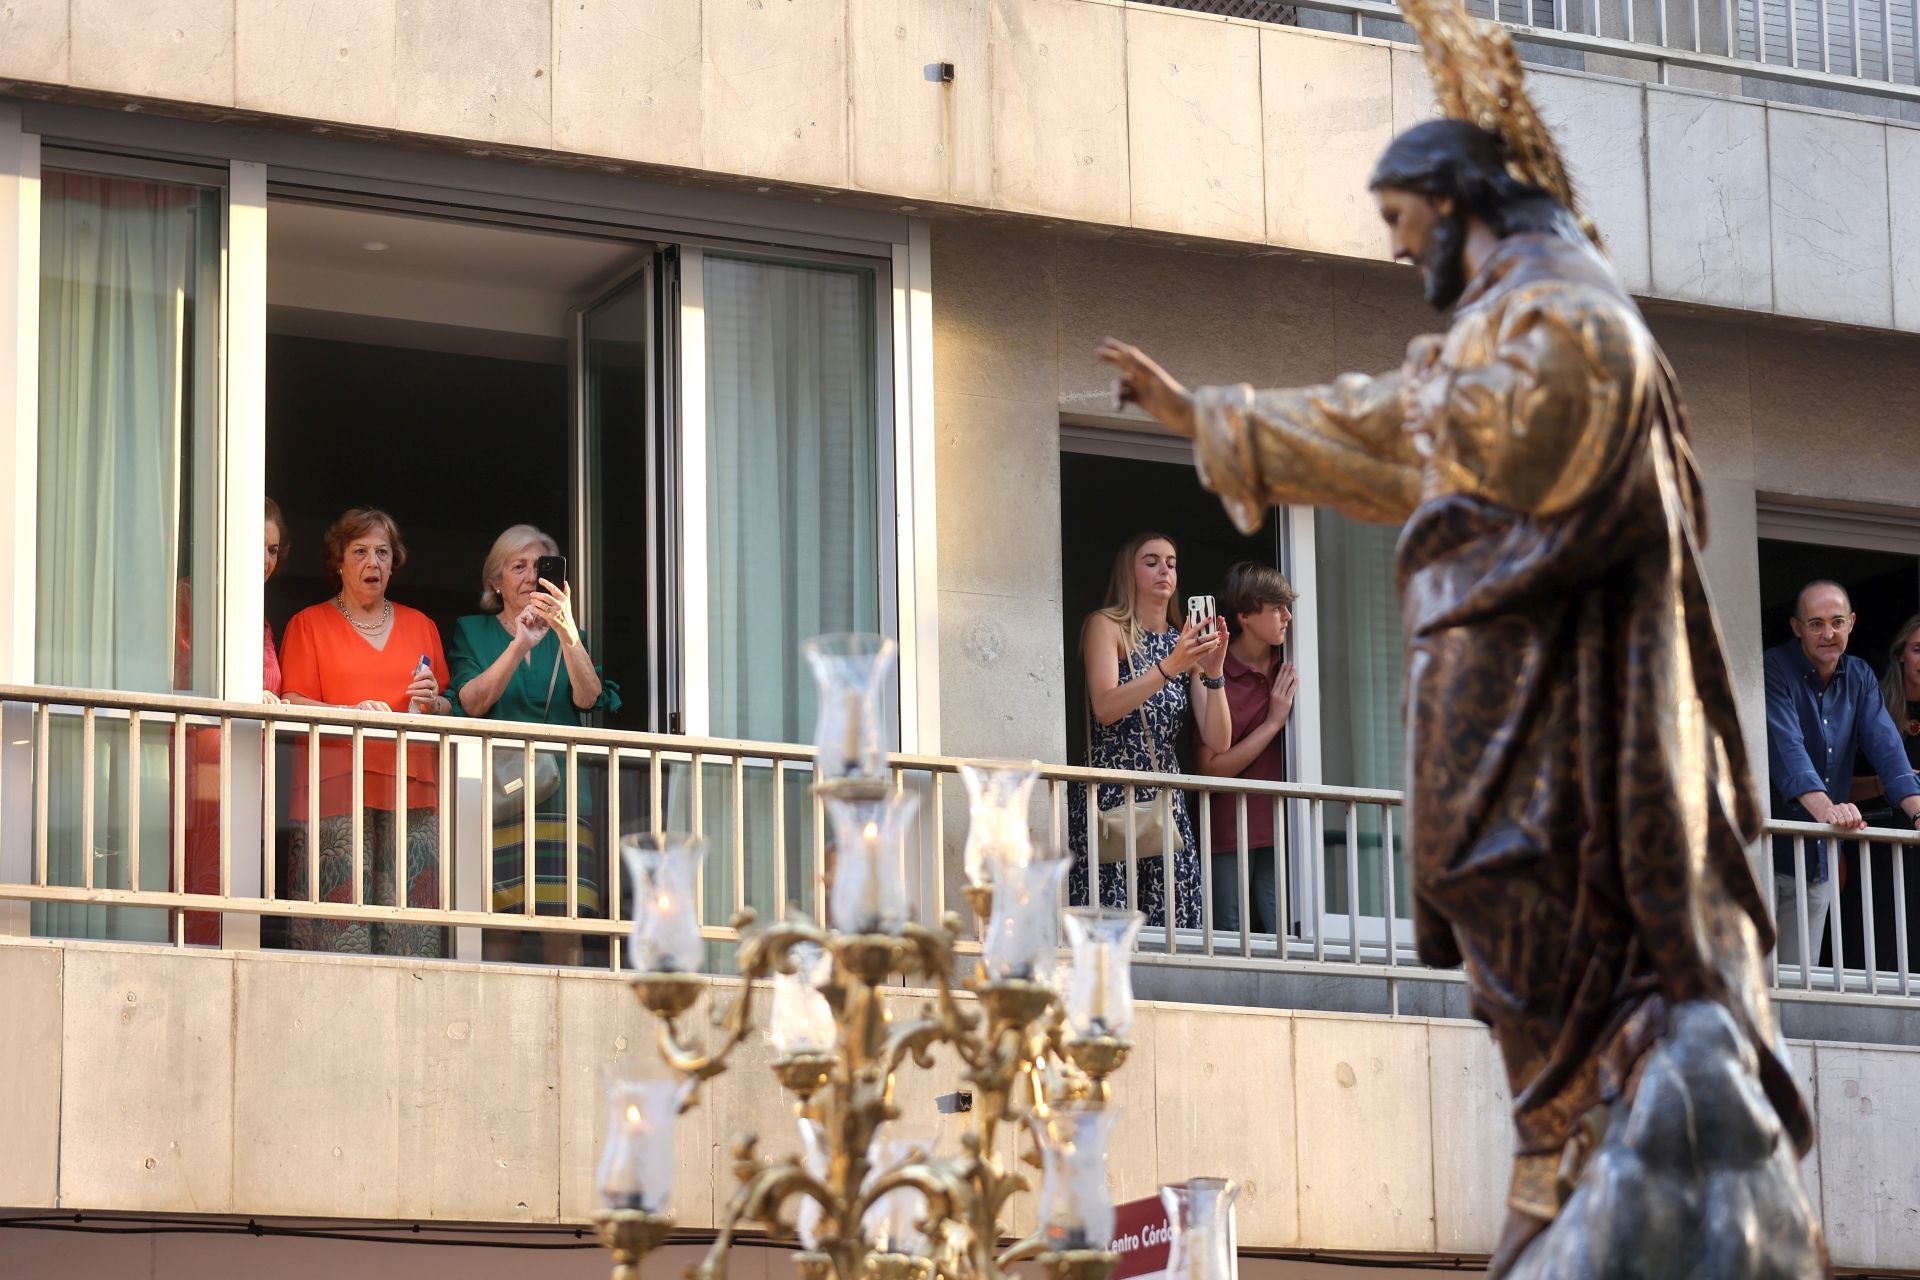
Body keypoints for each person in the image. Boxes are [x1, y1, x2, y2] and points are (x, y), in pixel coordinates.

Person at [1097, 58, 1824, 1273]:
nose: (1395, 252)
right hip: (1507, 730)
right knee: (1503, 930)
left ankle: (1628, 1102)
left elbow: (1417, 428)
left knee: (1544, 915)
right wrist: (1208, 419)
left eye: (1398, 222)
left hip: (1569, 731)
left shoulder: (1574, 322)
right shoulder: (1509, 323)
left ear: (1459, 202)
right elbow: (1402, 425)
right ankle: (1573, 1131)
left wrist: (1225, 419)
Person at [279, 508, 450, 957]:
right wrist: (348, 711)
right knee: (340, 930)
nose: (372, 562)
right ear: (339, 561)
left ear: (395, 563)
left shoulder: (422, 626)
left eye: (382, 552)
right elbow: (291, 702)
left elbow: (449, 706)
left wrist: (436, 700)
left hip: (412, 787)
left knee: (414, 932)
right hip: (335, 784)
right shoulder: (308, 624)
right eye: (360, 552)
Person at [447, 524, 620, 966]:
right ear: (495, 582)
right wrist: (519, 643)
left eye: (539, 567)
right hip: (501, 795)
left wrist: (566, 632)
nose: (529, 577)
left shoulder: (569, 635)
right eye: (517, 567)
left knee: (564, 932)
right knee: (500, 930)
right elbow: (473, 701)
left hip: (560, 797)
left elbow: (588, 697)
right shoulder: (475, 631)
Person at [1067, 532, 1231, 930]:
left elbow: (1219, 740)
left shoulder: (1182, 644)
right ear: (1129, 571)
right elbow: (1105, 707)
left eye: (1172, 563)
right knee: (1111, 916)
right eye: (1151, 561)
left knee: (1173, 920)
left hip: (1164, 799)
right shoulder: (1106, 627)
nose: (1165, 570)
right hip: (1111, 792)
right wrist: (1168, 668)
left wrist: (1214, 672)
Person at [1764, 581, 1920, 968]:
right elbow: (1788, 748)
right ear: (1796, 627)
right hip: (1763, 852)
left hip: (1818, 858)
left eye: (1836, 622)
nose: (1828, 633)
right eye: (1815, 623)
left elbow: (1887, 746)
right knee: (1755, 980)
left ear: (1851, 622)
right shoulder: (1773, 667)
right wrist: (1828, 810)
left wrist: (1917, 810)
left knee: (1801, 980)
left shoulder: (1861, 676)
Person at [178, 497, 290, 945]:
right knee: (198, 887)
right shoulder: (192, 597)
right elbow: (181, 672)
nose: (265, 561)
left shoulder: (258, 618)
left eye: (274, 550)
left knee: (236, 890)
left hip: (246, 772)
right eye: (256, 546)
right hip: (199, 765)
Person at [1194, 561, 1299, 937]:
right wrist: (1273, 722)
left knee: (1285, 938)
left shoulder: (1289, 663)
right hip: (1231, 827)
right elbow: (1210, 769)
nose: (1287, 617)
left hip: (1285, 824)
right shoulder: (1212, 671)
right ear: (1245, 615)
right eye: (1275, 608)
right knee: (1229, 936)